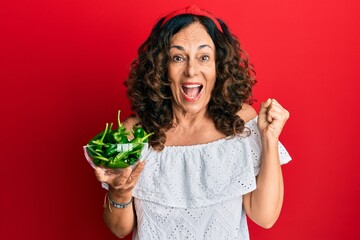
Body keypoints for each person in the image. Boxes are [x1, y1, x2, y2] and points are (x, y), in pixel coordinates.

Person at [95, 4, 291, 240]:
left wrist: (269, 139)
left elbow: (265, 216)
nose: (191, 70)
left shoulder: (242, 123)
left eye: (204, 57)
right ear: (161, 67)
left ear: (218, 67)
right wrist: (120, 193)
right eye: (178, 57)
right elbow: (119, 229)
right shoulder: (133, 133)